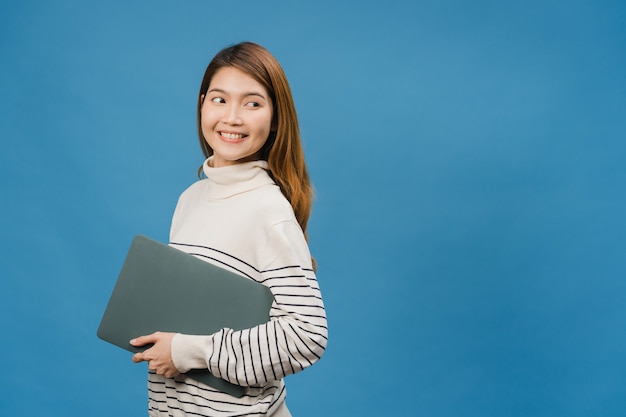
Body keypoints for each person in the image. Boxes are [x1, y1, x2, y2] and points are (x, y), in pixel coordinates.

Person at [128, 42, 328, 416]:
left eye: (252, 103)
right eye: (219, 99)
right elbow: (190, 316)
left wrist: (188, 351)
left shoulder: (268, 209)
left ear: (275, 119)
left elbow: (307, 335)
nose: (232, 117)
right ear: (202, 103)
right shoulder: (191, 198)